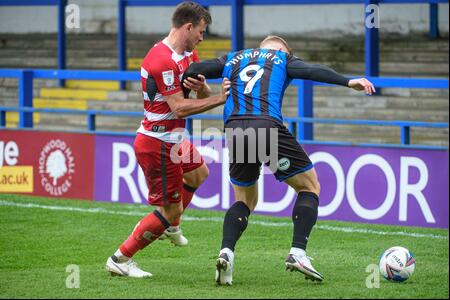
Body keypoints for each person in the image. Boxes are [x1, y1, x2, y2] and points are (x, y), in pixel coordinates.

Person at [183, 35, 375, 285]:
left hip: (235, 129)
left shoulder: (234, 58)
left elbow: (196, 69)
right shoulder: (283, 59)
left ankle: (226, 252)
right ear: (283, 50)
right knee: (309, 186)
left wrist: (188, 84)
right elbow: (313, 71)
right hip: (267, 125)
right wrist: (349, 82)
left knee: (245, 200)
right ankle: (298, 253)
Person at [105, 1, 231, 278]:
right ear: (188, 27)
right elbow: (178, 107)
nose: (202, 36)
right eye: (201, 30)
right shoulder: (161, 59)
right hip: (157, 143)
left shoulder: (188, 55)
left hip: (175, 138)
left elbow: (195, 95)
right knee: (170, 208)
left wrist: (204, 89)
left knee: (199, 173)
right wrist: (219, 99)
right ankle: (121, 258)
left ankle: (172, 224)